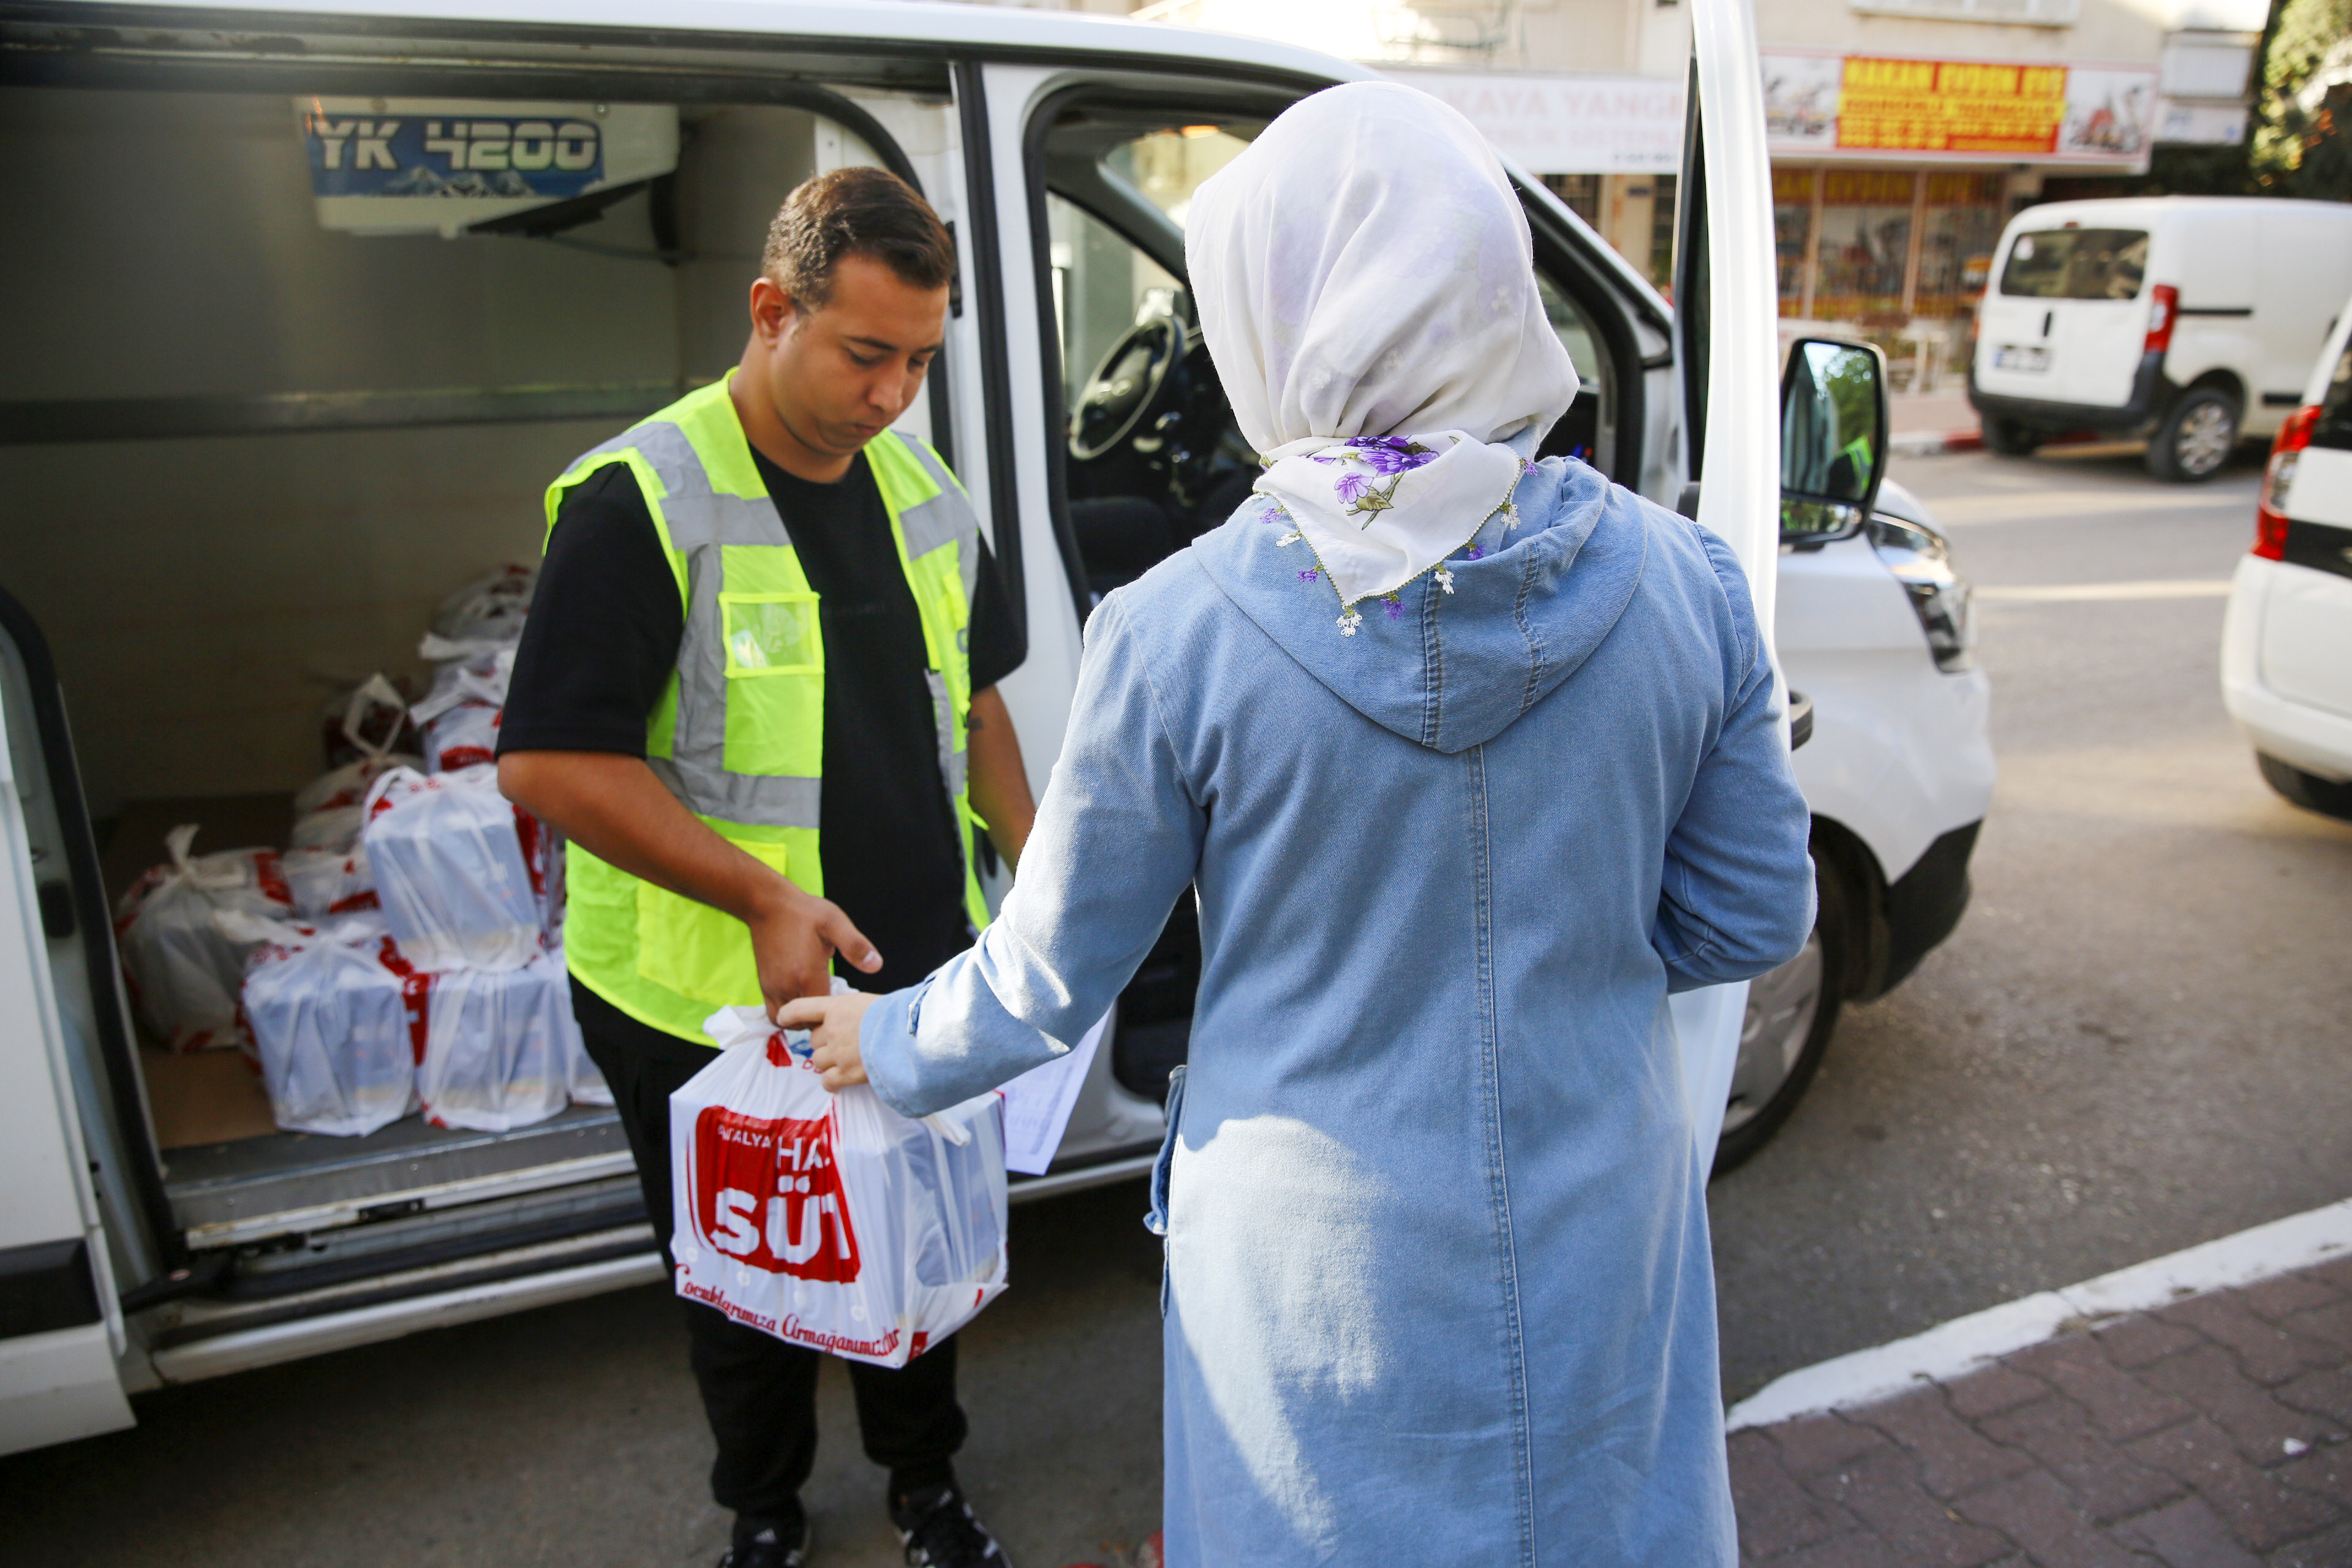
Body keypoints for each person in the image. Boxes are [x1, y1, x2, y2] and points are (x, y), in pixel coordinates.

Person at [782, 83, 1815, 1567]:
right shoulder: (1690, 584)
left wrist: (875, 1038)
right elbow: (1750, 920)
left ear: (1265, 312)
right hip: (1598, 1242)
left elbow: (1047, 978)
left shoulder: (1176, 628)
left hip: (1309, 1287)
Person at [497, 165, 1032, 1568]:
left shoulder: (922, 487)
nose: (894, 395)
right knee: (743, 1278)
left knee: (918, 1246)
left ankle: (928, 1488)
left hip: (906, 976)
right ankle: (767, 1510)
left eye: (920, 358)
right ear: (768, 310)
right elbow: (549, 762)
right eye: (867, 353)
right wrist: (760, 894)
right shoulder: (641, 497)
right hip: (710, 1001)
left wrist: (1037, 878)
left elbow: (976, 702)